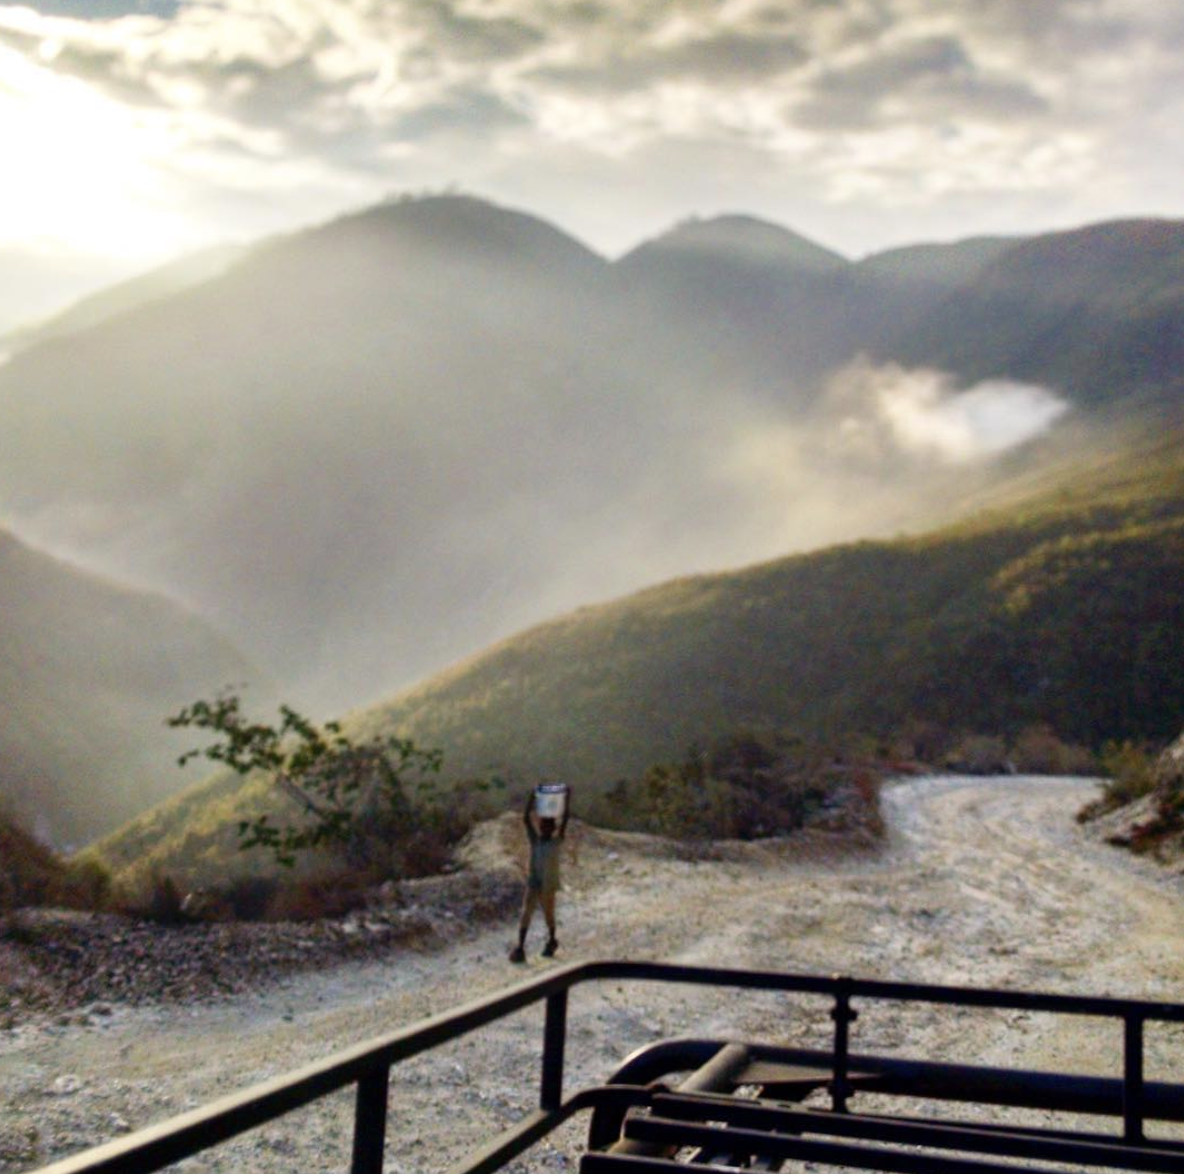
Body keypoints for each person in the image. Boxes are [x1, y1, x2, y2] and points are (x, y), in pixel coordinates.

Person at [509, 787, 569, 963]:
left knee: (548, 915)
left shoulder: (556, 842)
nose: (543, 828)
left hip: (547, 884)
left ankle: (551, 940)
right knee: (526, 912)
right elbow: (526, 819)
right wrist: (532, 798)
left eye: (546, 826)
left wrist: (566, 800)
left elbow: (565, 820)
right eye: (543, 825)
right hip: (535, 882)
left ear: (552, 829)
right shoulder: (536, 841)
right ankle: (520, 947)